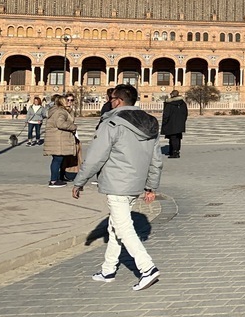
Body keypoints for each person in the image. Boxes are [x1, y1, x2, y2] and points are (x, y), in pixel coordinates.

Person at [72, 84, 162, 292]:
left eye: (111, 98)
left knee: (123, 228)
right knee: (115, 226)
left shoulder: (111, 123)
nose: (109, 102)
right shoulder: (150, 123)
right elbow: (156, 159)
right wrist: (151, 185)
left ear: (118, 101)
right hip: (136, 183)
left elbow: (96, 156)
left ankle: (147, 268)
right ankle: (108, 269)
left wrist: (80, 181)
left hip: (116, 182)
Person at [45, 94, 79, 186]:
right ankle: (53, 181)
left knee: (59, 159)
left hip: (57, 138)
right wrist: (73, 127)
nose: (69, 102)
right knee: (57, 159)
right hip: (58, 138)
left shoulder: (57, 110)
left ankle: (58, 177)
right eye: (67, 100)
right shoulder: (61, 112)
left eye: (71, 100)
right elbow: (60, 123)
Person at [160, 89, 188, 159]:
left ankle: (174, 152)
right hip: (180, 123)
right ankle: (175, 151)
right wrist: (182, 121)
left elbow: (166, 115)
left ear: (172, 95)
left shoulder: (170, 104)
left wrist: (164, 122)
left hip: (171, 123)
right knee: (177, 138)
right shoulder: (183, 103)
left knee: (172, 138)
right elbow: (185, 114)